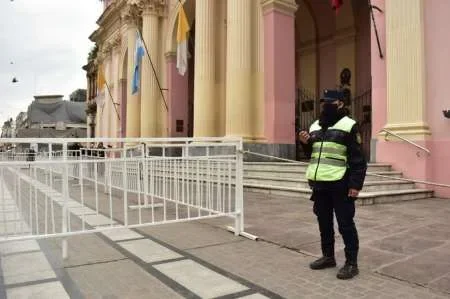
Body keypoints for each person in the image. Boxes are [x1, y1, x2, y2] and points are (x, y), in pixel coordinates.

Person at [298, 89, 367, 280]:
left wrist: (356, 185)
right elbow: (313, 152)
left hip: (340, 183)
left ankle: (351, 263)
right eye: (323, 102)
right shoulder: (315, 126)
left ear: (341, 104)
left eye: (330, 102)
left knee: (345, 224)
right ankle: (328, 257)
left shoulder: (349, 125)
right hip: (319, 184)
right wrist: (305, 143)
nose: (325, 106)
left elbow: (358, 159)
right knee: (324, 222)